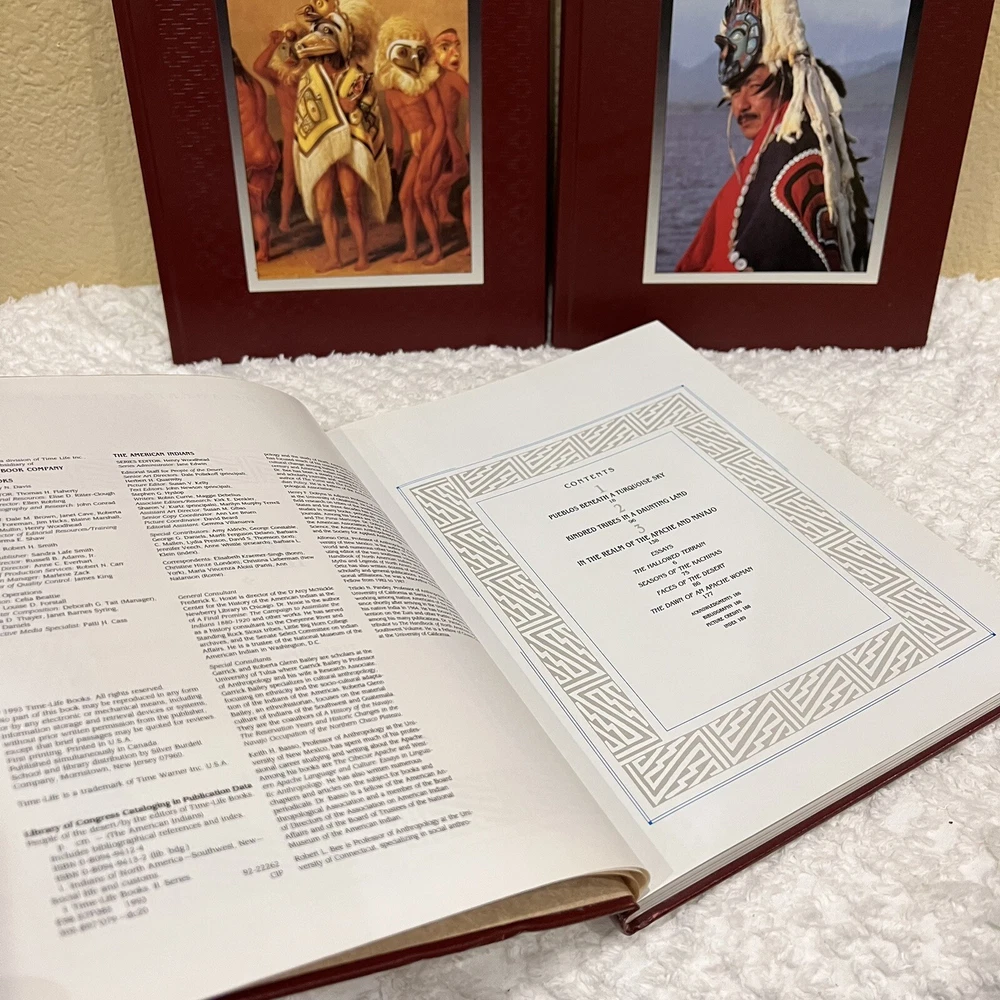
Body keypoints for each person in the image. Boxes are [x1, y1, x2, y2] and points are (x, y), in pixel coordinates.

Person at [677, 0, 869, 274]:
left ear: (785, 82)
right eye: (734, 91)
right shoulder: (766, 152)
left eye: (754, 86)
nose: (740, 105)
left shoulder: (794, 152)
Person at [292, 0, 392, 272]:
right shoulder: (310, 77)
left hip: (351, 145)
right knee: (324, 205)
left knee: (351, 202)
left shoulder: (357, 75)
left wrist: (344, 104)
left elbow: (355, 109)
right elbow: (305, 114)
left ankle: (362, 256)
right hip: (321, 145)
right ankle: (334, 257)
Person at [376, 17, 447, 265]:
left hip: (434, 146)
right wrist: (396, 162)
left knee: (420, 195)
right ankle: (411, 249)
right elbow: (398, 132)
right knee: (405, 197)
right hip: (417, 151)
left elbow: (441, 125)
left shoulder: (427, 86)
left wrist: (428, 158)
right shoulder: (390, 93)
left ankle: (437, 249)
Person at [253, 26, 307, 233]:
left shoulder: (310, 75)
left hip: (313, 135)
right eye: (285, 49)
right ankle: (284, 219)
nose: (290, 54)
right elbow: (258, 67)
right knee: (289, 178)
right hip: (292, 136)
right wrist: (274, 44)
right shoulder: (278, 77)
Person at [233, 50, 280, 263]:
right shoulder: (255, 83)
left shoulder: (232, 86)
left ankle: (263, 251)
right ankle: (262, 248)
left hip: (252, 153)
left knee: (256, 209)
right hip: (269, 149)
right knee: (260, 206)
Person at [430, 28, 470, 230]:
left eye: (457, 46)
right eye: (445, 48)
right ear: (432, 54)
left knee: (444, 169)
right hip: (445, 133)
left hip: (438, 133)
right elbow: (475, 97)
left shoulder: (435, 79)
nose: (455, 53)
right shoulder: (453, 78)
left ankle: (442, 213)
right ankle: (435, 193)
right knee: (460, 168)